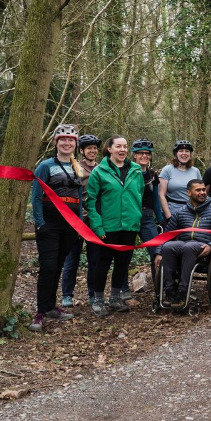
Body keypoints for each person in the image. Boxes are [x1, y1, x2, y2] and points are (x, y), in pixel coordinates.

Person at [28, 124, 82, 331]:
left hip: (70, 225)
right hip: (49, 223)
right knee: (48, 266)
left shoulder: (77, 167)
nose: (67, 143)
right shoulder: (46, 166)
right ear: (56, 142)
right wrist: (40, 223)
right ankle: (40, 312)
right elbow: (36, 196)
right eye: (63, 140)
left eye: (71, 140)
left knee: (58, 265)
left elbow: (79, 199)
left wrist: (78, 225)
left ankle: (51, 307)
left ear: (75, 144)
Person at [85, 135, 144, 316]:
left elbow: (139, 196)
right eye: (118, 146)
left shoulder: (136, 170)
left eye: (125, 146)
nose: (122, 150)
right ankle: (97, 299)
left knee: (122, 263)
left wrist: (137, 220)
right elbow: (91, 201)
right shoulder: (99, 171)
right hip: (107, 227)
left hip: (129, 226)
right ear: (109, 149)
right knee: (102, 263)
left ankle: (115, 298)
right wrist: (97, 226)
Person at [154, 179, 211, 308]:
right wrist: (159, 252)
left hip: (204, 247)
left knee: (189, 247)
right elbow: (167, 234)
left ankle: (183, 291)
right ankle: (170, 291)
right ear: (188, 192)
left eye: (203, 190)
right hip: (183, 244)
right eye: (198, 190)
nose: (202, 192)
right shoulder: (180, 211)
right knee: (168, 246)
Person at [60, 133, 101, 308]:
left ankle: (93, 294)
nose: (92, 151)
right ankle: (67, 295)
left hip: (95, 220)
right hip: (77, 220)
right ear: (82, 150)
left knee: (95, 260)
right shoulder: (74, 167)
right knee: (72, 258)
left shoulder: (102, 168)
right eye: (89, 148)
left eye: (95, 148)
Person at [131, 138, 165, 281]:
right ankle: (122, 290)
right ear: (134, 155)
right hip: (130, 216)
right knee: (124, 254)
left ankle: (159, 288)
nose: (144, 156)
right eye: (140, 153)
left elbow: (156, 199)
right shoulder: (128, 173)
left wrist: (162, 220)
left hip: (147, 216)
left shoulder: (153, 175)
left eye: (147, 153)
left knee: (157, 251)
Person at [159, 140, 202, 220]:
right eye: (181, 151)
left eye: (187, 151)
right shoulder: (167, 170)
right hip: (173, 213)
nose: (184, 153)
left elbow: (200, 193)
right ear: (176, 154)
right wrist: (168, 216)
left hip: (192, 213)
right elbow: (161, 195)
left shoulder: (195, 171)